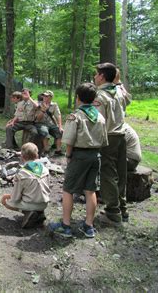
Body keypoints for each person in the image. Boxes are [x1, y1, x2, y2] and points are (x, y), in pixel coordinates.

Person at [48, 83, 108, 238]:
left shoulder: (76, 116)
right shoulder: (100, 117)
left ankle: (66, 225)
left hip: (79, 156)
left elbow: (69, 140)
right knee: (90, 190)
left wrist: (68, 156)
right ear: (94, 98)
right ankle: (89, 226)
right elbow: (104, 141)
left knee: (68, 189)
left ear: (77, 98)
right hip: (96, 156)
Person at [94, 63, 128, 225]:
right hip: (122, 135)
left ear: (101, 76)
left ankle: (113, 213)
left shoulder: (100, 96)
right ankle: (122, 208)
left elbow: (99, 122)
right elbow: (127, 103)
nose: (95, 77)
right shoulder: (119, 91)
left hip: (109, 137)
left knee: (108, 174)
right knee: (121, 173)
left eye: (96, 75)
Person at [1, 142, 50, 228]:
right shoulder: (45, 169)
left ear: (22, 157)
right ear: (37, 155)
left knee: (6, 202)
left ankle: (29, 213)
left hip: (31, 203)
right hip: (44, 203)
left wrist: (6, 197)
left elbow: (15, 198)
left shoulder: (22, 173)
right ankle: (39, 213)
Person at [39, 90, 63, 156]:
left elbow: (58, 115)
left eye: (46, 96)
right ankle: (46, 150)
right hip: (41, 123)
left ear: (51, 97)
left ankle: (58, 150)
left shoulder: (54, 105)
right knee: (45, 132)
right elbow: (37, 118)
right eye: (43, 95)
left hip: (50, 123)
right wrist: (43, 110)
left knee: (59, 132)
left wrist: (60, 126)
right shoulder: (39, 104)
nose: (44, 97)